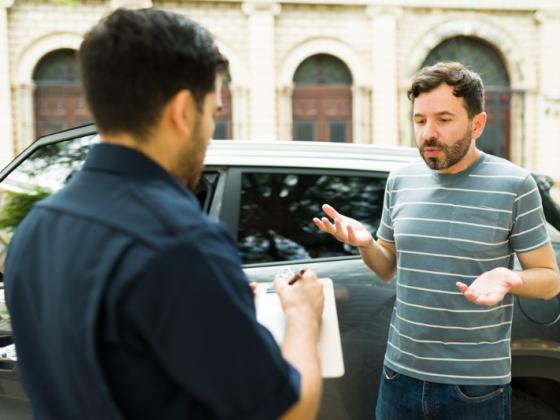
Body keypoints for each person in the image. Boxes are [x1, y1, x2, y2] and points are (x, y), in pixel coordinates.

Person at [4, 8, 324, 420]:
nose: (211, 132)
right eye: (213, 114)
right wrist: (303, 316)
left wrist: (214, 302)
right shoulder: (182, 242)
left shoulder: (34, 230)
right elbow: (291, 411)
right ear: (182, 111)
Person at [314, 62, 560, 419]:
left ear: (477, 124)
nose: (428, 133)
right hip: (399, 376)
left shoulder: (514, 185)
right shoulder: (399, 181)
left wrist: (510, 278)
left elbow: (550, 280)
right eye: (420, 120)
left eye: (443, 120)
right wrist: (366, 243)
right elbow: (385, 269)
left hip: (475, 388)